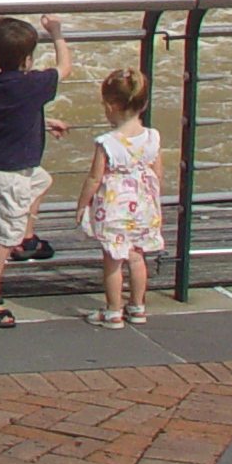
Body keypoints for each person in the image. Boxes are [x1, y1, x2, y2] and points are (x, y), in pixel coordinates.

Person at [0, 13, 72, 329]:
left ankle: (27, 238)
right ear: (27, 60)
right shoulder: (33, 84)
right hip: (10, 171)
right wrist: (55, 33)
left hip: (3, 161)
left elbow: (10, 118)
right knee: (5, 235)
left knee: (42, 181)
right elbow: (65, 68)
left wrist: (41, 121)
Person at [75, 69, 165, 326]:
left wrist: (82, 205)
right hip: (143, 206)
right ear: (143, 103)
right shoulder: (152, 137)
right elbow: (157, 172)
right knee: (137, 256)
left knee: (113, 259)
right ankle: (137, 306)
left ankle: (114, 310)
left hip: (115, 207)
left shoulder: (107, 142)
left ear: (111, 106)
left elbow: (94, 177)